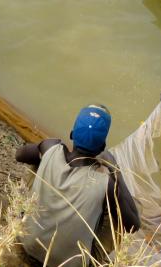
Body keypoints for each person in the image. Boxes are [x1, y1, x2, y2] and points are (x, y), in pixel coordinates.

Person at [16, 105, 140, 267]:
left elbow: (20, 155)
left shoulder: (51, 148)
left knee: (38, 163)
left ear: (72, 134)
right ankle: (91, 259)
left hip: (27, 248)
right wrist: (115, 171)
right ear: (102, 147)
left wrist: (45, 152)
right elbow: (133, 225)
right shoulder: (107, 184)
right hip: (69, 264)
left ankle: (23, 223)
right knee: (122, 208)